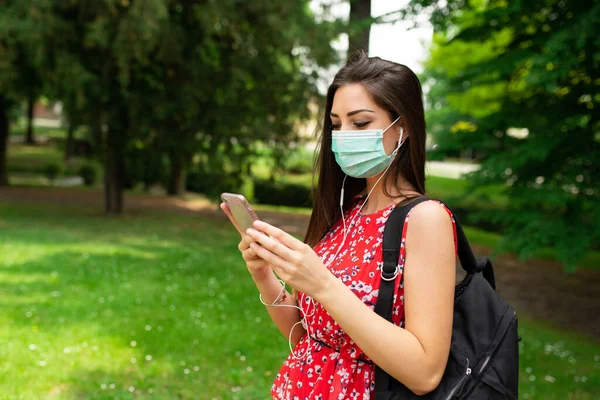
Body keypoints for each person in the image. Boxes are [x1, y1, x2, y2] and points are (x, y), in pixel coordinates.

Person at [221, 51, 458, 400]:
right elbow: (309, 339)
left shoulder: (425, 219)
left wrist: (323, 284)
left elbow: (425, 372)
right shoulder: (346, 214)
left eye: (359, 123)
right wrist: (263, 273)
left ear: (402, 128)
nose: (343, 135)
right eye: (335, 124)